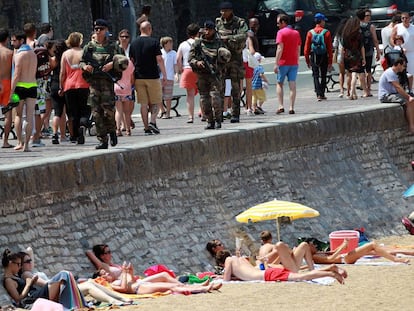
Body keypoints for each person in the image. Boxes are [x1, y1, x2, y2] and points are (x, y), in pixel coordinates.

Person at [81, 19, 126, 149]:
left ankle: (112, 131)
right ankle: (103, 139)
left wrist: (112, 63)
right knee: (96, 113)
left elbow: (124, 61)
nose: (98, 31)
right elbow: (82, 61)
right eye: (96, 29)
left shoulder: (114, 47)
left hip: (107, 83)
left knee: (108, 111)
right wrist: (85, 67)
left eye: (101, 29)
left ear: (106, 31)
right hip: (94, 84)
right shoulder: (89, 47)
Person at [2, 249, 87, 309]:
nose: (20, 267)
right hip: (31, 299)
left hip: (36, 295)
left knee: (65, 275)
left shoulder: (15, 276)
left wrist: (30, 283)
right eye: (18, 264)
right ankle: (76, 304)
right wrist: (28, 285)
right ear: (10, 263)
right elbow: (18, 299)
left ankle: (77, 304)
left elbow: (29, 250)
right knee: (63, 275)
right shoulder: (8, 280)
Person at [189, 20, 231, 130]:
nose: (207, 32)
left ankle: (218, 119)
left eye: (209, 30)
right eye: (206, 29)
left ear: (213, 30)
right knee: (204, 100)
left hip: (215, 75)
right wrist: (197, 63)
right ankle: (210, 121)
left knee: (215, 98)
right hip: (202, 75)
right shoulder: (198, 43)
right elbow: (190, 59)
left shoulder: (218, 43)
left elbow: (226, 57)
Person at [216, 249, 347, 284]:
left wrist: (220, 276)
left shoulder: (228, 260)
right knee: (299, 276)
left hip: (268, 275)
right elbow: (246, 274)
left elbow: (226, 279)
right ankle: (330, 269)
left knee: (301, 277)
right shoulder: (240, 259)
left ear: (222, 262)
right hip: (268, 272)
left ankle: (331, 273)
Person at [129, 21, 167, 135]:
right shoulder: (154, 42)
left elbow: (131, 61)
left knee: (143, 104)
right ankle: (153, 121)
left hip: (139, 76)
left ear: (140, 29)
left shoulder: (134, 43)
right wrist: (164, 74)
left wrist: (131, 76)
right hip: (152, 76)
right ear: (149, 29)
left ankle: (146, 128)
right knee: (155, 101)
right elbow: (159, 59)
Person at [216, 1, 248, 123]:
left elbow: (243, 35)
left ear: (230, 11)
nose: (223, 13)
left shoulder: (239, 22)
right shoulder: (218, 22)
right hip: (223, 60)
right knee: (220, 88)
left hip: (235, 59)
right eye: (222, 11)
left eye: (225, 11)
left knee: (235, 88)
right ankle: (220, 114)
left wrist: (228, 38)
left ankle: (235, 114)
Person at [109, 262, 221, 295]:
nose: (107, 274)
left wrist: (131, 272)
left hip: (141, 285)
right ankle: (203, 289)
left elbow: (131, 281)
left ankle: (201, 286)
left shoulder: (119, 279)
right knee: (173, 287)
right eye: (104, 274)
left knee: (174, 285)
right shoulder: (113, 285)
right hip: (139, 289)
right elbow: (124, 288)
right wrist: (124, 273)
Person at [60, 32, 91, 145]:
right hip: (83, 84)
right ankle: (83, 125)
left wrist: (61, 86)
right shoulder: (84, 52)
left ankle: (76, 135)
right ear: (80, 41)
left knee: (72, 112)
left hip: (69, 85)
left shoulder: (66, 54)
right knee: (85, 109)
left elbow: (63, 73)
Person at [10, 31, 38, 152]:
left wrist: (11, 91)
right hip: (32, 86)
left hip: (19, 87)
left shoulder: (19, 55)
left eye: (14, 41)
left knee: (18, 115)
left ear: (21, 41)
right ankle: (26, 145)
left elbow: (16, 75)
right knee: (30, 115)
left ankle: (19, 142)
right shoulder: (33, 54)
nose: (12, 43)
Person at [378, 57, 414, 133]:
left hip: (392, 94)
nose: (404, 68)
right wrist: (408, 97)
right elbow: (397, 87)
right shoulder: (390, 73)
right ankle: (411, 126)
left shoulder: (395, 73)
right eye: (404, 66)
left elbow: (410, 76)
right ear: (398, 65)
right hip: (386, 95)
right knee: (409, 102)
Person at [274, 13, 301, 115]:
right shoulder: (296, 33)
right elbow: (298, 48)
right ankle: (291, 107)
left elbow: (280, 48)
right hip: (294, 62)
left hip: (283, 62)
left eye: (278, 23)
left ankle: (281, 105)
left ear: (283, 22)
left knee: (279, 83)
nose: (277, 25)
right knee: (292, 84)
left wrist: (276, 63)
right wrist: (297, 60)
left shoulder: (281, 33)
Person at [304, 13, 333, 101]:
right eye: (324, 21)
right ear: (321, 21)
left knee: (315, 75)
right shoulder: (326, 32)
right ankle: (322, 93)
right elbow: (329, 48)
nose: (324, 22)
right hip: (323, 55)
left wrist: (307, 60)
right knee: (323, 74)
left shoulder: (310, 33)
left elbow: (306, 48)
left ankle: (318, 94)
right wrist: (330, 61)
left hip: (314, 55)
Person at [309, 239, 410, 264]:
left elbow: (332, 252)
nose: (314, 245)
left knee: (372, 249)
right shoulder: (314, 257)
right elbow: (331, 259)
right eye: (312, 245)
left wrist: (342, 245)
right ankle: (395, 259)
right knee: (372, 245)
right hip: (345, 259)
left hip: (345, 257)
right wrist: (343, 246)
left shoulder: (316, 254)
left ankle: (394, 256)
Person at [176, 23, 200, 124]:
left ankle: (190, 116)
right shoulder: (200, 42)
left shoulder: (183, 44)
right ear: (198, 32)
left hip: (187, 69)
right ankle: (203, 113)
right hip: (199, 69)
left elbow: (178, 59)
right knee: (203, 93)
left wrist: (179, 70)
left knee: (190, 95)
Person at [114, 29, 135, 137]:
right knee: (127, 111)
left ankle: (118, 129)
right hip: (127, 88)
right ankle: (128, 130)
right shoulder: (130, 63)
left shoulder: (115, 62)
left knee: (118, 110)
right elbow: (132, 77)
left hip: (117, 87)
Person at [357, 8, 380, 97]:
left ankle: (368, 89)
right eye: (367, 15)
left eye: (369, 15)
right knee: (361, 71)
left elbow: (375, 40)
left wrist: (378, 51)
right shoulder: (361, 26)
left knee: (368, 70)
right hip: (360, 51)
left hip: (369, 50)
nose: (368, 17)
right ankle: (365, 90)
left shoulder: (370, 26)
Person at [341, 16, 366, 100]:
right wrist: (364, 58)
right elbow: (362, 46)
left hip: (347, 55)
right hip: (356, 55)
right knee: (355, 74)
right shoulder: (358, 34)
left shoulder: (345, 34)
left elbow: (343, 47)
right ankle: (352, 91)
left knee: (349, 74)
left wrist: (341, 58)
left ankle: (353, 94)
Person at [49, 40, 68, 145]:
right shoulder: (65, 59)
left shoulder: (53, 60)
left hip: (54, 85)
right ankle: (63, 135)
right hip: (64, 85)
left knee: (57, 112)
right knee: (63, 112)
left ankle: (55, 133)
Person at [243, 17, 260, 115]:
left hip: (239, 61)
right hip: (247, 62)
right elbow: (252, 50)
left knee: (239, 86)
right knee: (249, 85)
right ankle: (249, 107)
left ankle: (236, 107)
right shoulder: (249, 36)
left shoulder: (238, 37)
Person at [0, 28, 14, 148]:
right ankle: (5, 141)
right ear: (7, 39)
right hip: (7, 84)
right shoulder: (10, 53)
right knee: (7, 114)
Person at [159, 36, 178, 119]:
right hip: (160, 76)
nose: (171, 44)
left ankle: (168, 113)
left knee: (168, 96)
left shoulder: (174, 53)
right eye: (169, 43)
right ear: (165, 44)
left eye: (171, 42)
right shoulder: (160, 52)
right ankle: (162, 110)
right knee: (158, 96)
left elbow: (175, 64)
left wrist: (176, 73)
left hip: (169, 77)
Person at [332, 18, 348, 98]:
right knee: (349, 73)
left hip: (339, 56)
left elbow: (334, 45)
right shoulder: (349, 33)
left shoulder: (338, 34)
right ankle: (349, 90)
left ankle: (341, 90)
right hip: (348, 56)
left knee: (341, 73)